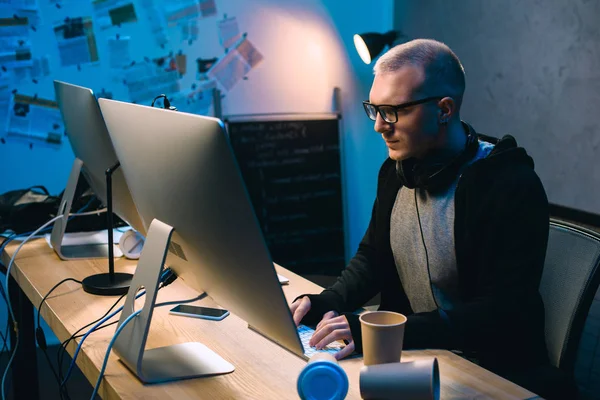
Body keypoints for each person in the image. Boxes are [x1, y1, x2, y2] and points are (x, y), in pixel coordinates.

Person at [290, 39, 576, 398]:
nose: (379, 126)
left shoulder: (509, 186)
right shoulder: (396, 172)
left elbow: (501, 313)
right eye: (375, 109)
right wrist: (327, 302)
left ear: (444, 109)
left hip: (492, 371)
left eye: (393, 111)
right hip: (418, 355)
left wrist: (386, 332)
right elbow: (373, 258)